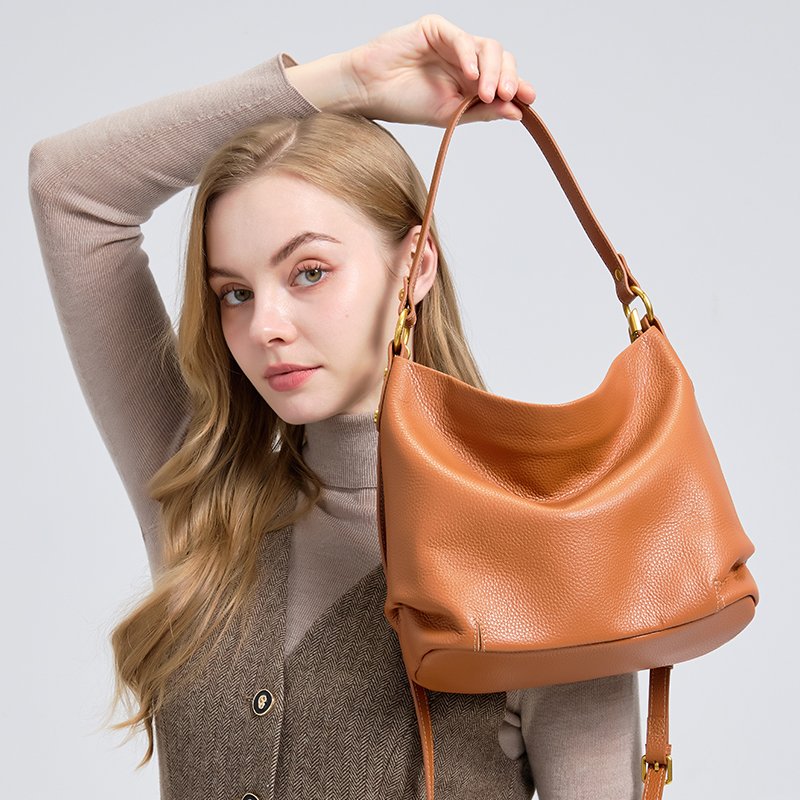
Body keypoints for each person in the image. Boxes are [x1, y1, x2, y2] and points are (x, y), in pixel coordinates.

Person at [28, 13, 642, 800]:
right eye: (235, 293)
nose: (265, 327)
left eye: (309, 271)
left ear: (415, 266)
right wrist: (341, 85)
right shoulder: (207, 503)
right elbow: (69, 189)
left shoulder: (541, 560)